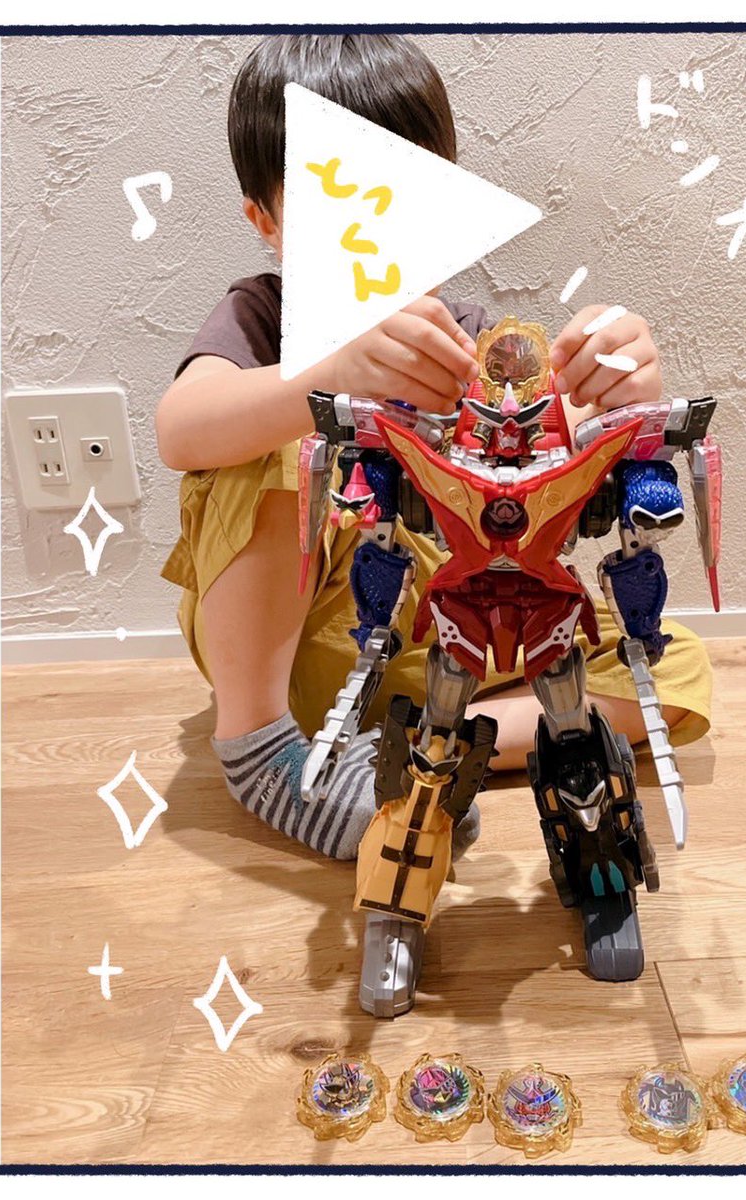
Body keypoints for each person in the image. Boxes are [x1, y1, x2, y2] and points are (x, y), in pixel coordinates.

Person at [157, 34, 712, 862]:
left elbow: (562, 441)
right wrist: (329, 372)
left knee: (673, 665)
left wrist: (616, 381)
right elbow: (181, 428)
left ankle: (435, 745)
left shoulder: (477, 341)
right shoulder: (262, 316)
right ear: (266, 222)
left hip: (430, 635)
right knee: (279, 439)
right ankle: (264, 755)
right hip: (288, 648)